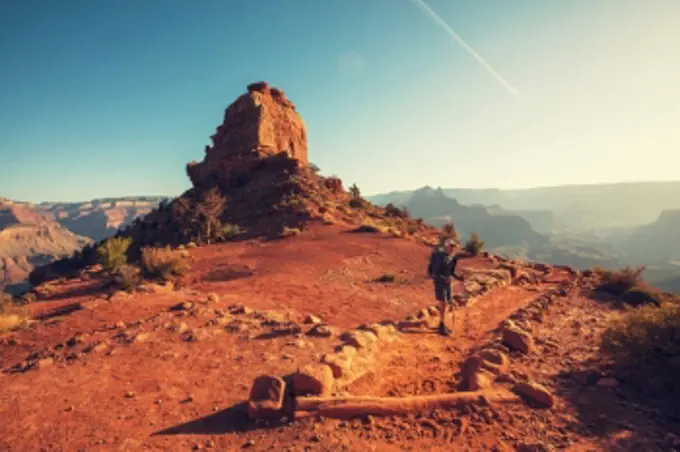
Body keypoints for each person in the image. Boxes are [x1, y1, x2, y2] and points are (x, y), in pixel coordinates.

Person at [427, 238, 465, 336]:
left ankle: (442, 324)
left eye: (454, 247)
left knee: (446, 303)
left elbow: (451, 271)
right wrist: (444, 278)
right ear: (446, 247)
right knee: (443, 303)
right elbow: (435, 273)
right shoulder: (440, 257)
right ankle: (442, 326)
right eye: (451, 246)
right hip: (440, 282)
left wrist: (459, 278)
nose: (453, 248)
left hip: (447, 283)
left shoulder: (452, 258)